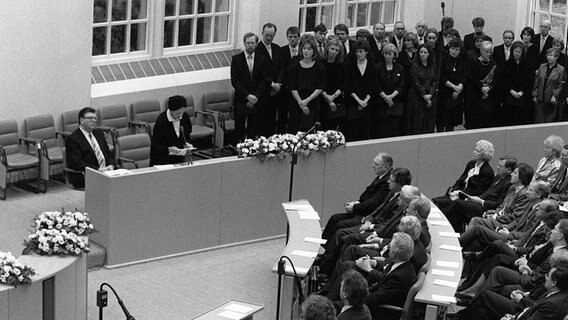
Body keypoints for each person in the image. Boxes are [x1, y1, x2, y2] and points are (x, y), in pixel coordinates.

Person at [321, 152, 393, 242]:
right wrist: (356, 203)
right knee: (334, 218)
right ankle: (322, 246)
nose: (372, 165)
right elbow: (367, 196)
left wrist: (354, 208)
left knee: (340, 226)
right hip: (361, 210)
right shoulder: (380, 176)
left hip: (366, 215)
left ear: (385, 167)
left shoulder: (386, 182)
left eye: (376, 164)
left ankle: (329, 254)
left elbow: (373, 203)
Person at [442, 156, 515, 233]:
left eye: (500, 166)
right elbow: (487, 192)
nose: (497, 167)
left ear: (509, 170)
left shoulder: (508, 183)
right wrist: (474, 199)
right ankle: (453, 234)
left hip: (486, 209)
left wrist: (481, 201)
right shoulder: (498, 177)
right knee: (457, 213)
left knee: (458, 203)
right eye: (498, 165)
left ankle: (442, 220)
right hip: (479, 202)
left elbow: (498, 203)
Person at [432, 140, 495, 213]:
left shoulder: (487, 171)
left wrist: (459, 194)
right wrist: (454, 190)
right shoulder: (471, 164)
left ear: (484, 155)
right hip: (457, 195)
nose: (474, 152)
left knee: (439, 204)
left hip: (468, 199)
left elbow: (478, 191)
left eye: (477, 151)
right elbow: (460, 180)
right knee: (434, 202)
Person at [364, 232, 416, 320]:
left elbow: (375, 299)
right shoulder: (399, 263)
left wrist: (354, 293)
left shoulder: (400, 277)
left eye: (390, 247)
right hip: (375, 297)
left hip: (380, 312)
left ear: (395, 254)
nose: (387, 248)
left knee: (339, 305)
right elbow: (384, 280)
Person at [230, 32, 271, 141]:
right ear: (244, 43)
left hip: (257, 100)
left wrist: (255, 97)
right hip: (241, 99)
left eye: (252, 43)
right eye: (248, 43)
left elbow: (265, 80)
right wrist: (248, 96)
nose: (250, 45)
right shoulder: (236, 59)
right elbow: (235, 81)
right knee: (239, 129)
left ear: (257, 44)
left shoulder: (262, 59)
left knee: (254, 128)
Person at [65, 107, 116, 189]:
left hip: (107, 172)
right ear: (81, 120)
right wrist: (98, 170)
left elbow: (108, 153)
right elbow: (77, 163)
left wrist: (111, 165)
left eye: (95, 118)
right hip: (87, 175)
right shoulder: (73, 139)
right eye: (90, 118)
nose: (94, 120)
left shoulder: (99, 134)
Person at [287, 35, 326, 133]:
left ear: (314, 51)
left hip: (312, 102)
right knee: (295, 131)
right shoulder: (294, 67)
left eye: (309, 49)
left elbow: (320, 87)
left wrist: (307, 100)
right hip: (297, 103)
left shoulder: (319, 67)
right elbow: (293, 87)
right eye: (304, 48)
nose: (306, 51)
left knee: (311, 132)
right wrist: (301, 103)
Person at [344, 39, 376, 141]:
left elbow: (373, 85)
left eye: (361, 51)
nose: (359, 54)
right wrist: (359, 101)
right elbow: (349, 85)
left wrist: (365, 101)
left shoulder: (372, 66)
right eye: (357, 52)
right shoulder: (350, 65)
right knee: (352, 130)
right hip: (353, 102)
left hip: (367, 103)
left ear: (366, 52)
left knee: (365, 131)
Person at [255, 22, 284, 137]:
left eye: (271, 36)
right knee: (262, 120)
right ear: (262, 33)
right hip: (263, 90)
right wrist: (271, 84)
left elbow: (282, 68)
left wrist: (278, 84)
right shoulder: (257, 49)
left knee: (272, 119)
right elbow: (260, 71)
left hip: (276, 90)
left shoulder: (277, 48)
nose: (268, 38)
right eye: (266, 35)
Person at [149, 96, 193, 166]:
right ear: (171, 110)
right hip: (162, 160)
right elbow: (156, 146)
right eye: (178, 113)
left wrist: (187, 144)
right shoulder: (161, 121)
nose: (181, 115)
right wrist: (169, 149)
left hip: (178, 158)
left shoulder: (185, 117)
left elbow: (187, 135)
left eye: (182, 112)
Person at [406, 43, 438, 135]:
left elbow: (435, 81)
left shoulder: (433, 66)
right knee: (418, 123)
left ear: (429, 54)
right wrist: (424, 95)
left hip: (430, 97)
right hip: (417, 98)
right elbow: (415, 82)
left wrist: (430, 94)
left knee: (429, 123)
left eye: (425, 52)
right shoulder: (414, 66)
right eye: (421, 52)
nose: (422, 54)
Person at [437, 37, 467, 132]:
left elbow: (464, 75)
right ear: (449, 49)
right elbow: (441, 77)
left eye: (457, 49)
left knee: (452, 121)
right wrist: (454, 87)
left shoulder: (462, 60)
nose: (454, 51)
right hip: (444, 93)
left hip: (457, 94)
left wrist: (459, 87)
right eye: (452, 49)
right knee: (442, 121)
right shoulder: (443, 59)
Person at [376, 43, 405, 138]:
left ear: (394, 55)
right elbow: (376, 85)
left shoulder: (400, 68)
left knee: (394, 129)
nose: (387, 56)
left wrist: (391, 97)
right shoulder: (378, 67)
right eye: (385, 54)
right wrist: (385, 97)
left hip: (395, 103)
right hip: (381, 103)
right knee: (382, 130)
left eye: (390, 54)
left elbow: (401, 85)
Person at [467, 41, 499, 129]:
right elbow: (472, 78)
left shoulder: (494, 64)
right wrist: (482, 89)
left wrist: (488, 88)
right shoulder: (474, 63)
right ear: (481, 50)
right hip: (476, 97)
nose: (488, 54)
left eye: (490, 52)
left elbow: (496, 79)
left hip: (490, 97)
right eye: (486, 51)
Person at [501, 41, 533, 126]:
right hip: (509, 96)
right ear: (512, 52)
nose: (517, 54)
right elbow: (504, 80)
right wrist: (511, 91)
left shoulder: (527, 65)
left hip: (523, 97)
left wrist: (522, 92)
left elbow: (529, 80)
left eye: (519, 52)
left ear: (522, 53)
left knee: (521, 120)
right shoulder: (507, 64)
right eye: (515, 51)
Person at [320, 36, 346, 131]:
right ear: (327, 49)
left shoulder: (341, 64)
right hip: (323, 99)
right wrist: (328, 99)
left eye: (336, 50)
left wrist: (333, 97)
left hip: (337, 99)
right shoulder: (320, 63)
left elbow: (343, 84)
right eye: (332, 49)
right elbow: (318, 83)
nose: (334, 52)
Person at [278, 26, 301, 133]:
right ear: (287, 37)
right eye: (290, 37)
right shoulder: (281, 51)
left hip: (298, 89)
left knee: (295, 116)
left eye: (295, 37)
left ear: (298, 37)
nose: (292, 39)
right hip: (285, 90)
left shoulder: (303, 51)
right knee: (282, 115)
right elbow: (280, 70)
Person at [533, 48, 565, 124]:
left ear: (556, 57)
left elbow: (560, 85)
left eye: (551, 55)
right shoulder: (542, 66)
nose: (549, 57)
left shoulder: (561, 69)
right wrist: (534, 95)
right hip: (540, 98)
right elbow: (537, 81)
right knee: (538, 121)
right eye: (548, 55)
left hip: (551, 100)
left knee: (548, 122)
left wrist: (555, 95)